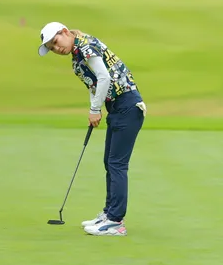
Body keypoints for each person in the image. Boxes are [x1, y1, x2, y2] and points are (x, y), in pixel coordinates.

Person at [38, 22, 146, 236]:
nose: (57, 49)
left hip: (128, 106)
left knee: (116, 164)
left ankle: (115, 221)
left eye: (56, 42)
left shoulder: (86, 45)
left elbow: (104, 77)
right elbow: (94, 85)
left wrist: (95, 109)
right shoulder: (77, 59)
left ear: (65, 32)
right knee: (109, 161)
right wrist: (94, 107)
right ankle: (109, 213)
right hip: (116, 108)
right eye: (52, 48)